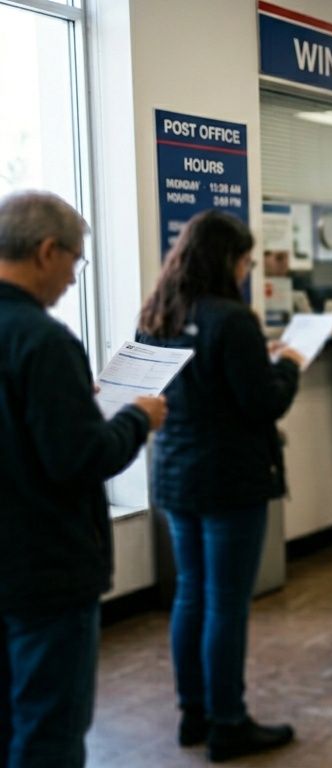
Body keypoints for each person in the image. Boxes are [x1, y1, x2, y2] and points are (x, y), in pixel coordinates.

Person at [0, 191, 166, 767]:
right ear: (47, 251)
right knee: (51, 727)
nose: (74, 279)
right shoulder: (44, 340)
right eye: (74, 261)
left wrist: (69, 401)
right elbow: (81, 459)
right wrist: (136, 418)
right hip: (46, 568)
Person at [137, 209, 301, 762]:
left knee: (191, 593)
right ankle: (229, 722)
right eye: (246, 261)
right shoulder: (232, 320)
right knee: (227, 603)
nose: (247, 270)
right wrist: (290, 366)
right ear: (228, 260)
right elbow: (262, 403)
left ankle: (194, 714)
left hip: (177, 474)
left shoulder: (157, 315)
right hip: (231, 478)